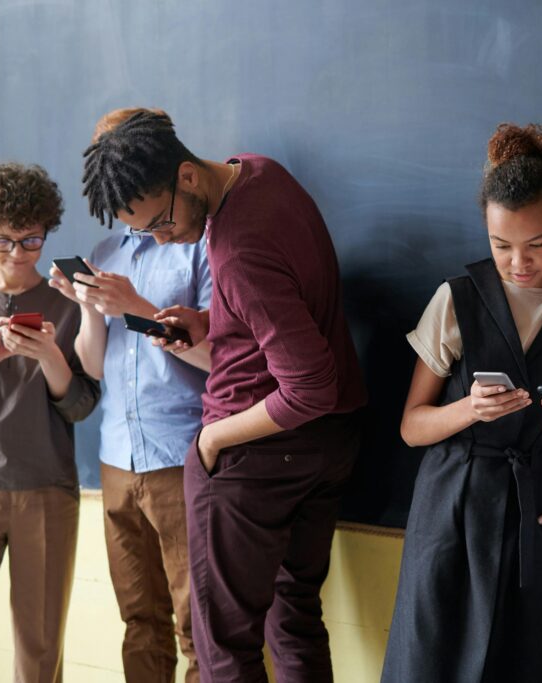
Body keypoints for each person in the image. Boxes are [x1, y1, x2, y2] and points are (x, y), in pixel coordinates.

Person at [80, 110, 367, 683]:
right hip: (330, 443)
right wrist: (213, 321)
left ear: (187, 176)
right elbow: (284, 306)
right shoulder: (260, 172)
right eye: (144, 233)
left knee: (223, 652)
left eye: (160, 223)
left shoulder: (235, 248)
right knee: (294, 620)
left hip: (256, 453)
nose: (161, 239)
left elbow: (309, 387)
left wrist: (213, 438)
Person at [381, 123, 542, 683]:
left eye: (535, 245)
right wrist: (469, 410)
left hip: (531, 511)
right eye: (500, 245)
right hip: (451, 507)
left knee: (521, 660)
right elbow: (412, 426)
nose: (518, 262)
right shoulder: (456, 300)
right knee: (432, 660)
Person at [48, 107, 211, 683]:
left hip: (182, 456)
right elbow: (93, 365)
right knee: (139, 620)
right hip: (117, 459)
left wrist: (138, 307)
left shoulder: (198, 244)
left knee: (199, 625)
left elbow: (221, 359)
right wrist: (90, 307)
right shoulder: (106, 251)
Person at [0, 163, 100, 681]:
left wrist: (50, 356)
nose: (18, 255)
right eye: (3, 241)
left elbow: (81, 405)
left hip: (46, 489)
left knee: (40, 649)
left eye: (31, 240)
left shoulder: (66, 301)